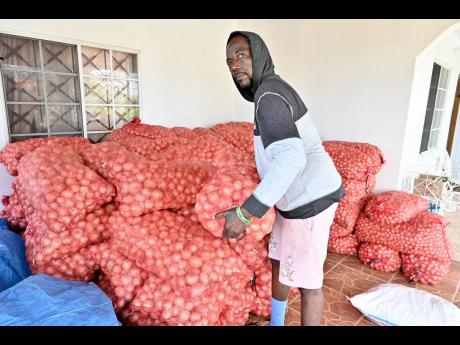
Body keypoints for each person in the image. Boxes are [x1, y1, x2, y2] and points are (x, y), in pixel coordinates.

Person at [215, 31, 344, 326]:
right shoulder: (268, 92)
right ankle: (277, 322)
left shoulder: (269, 96)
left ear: (259, 56)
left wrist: (246, 213)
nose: (235, 65)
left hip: (310, 200)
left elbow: (292, 159)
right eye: (229, 60)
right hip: (290, 199)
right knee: (279, 263)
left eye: (241, 55)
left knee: (309, 285)